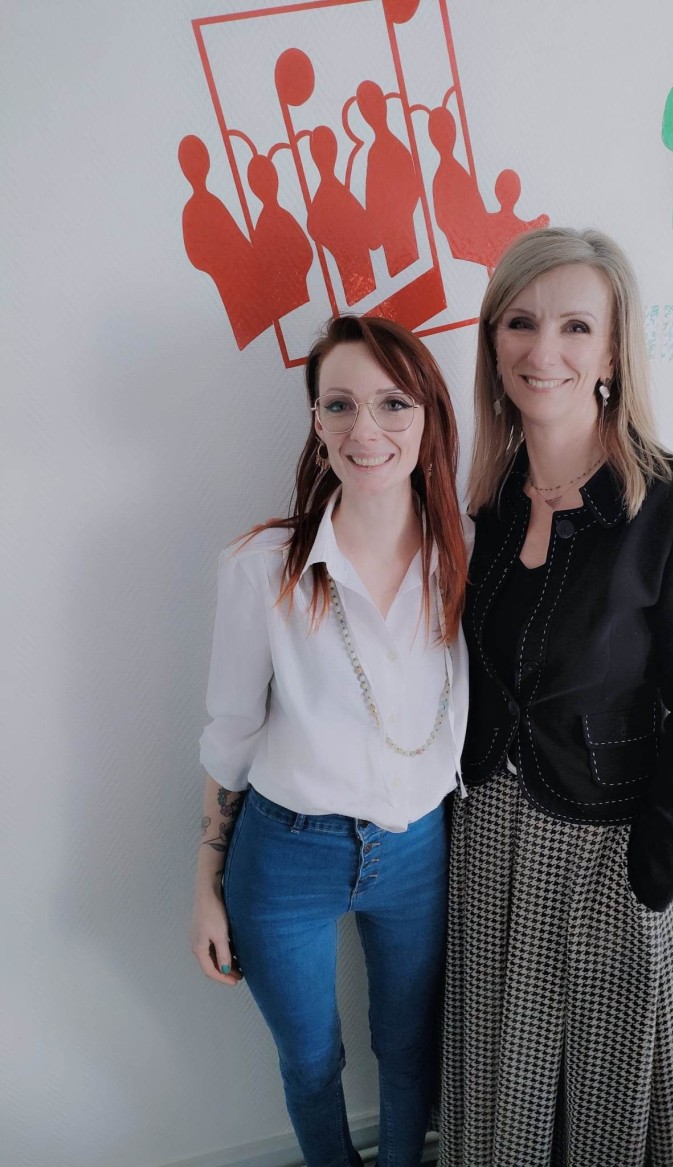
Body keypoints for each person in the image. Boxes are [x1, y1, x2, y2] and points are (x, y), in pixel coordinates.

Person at [439, 227, 673, 1167]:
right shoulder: (486, 500)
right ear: (493, 343)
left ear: (613, 352)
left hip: (610, 843)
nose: (545, 349)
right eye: (520, 322)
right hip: (486, 838)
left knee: (598, 1098)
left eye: (576, 326)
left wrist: (655, 870)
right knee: (501, 1078)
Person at [191, 314, 469, 1167]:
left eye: (393, 403)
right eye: (339, 404)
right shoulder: (262, 566)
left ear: (427, 415)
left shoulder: (468, 555)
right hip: (285, 854)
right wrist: (205, 884)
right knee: (311, 1061)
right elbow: (230, 734)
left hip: (418, 849)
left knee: (410, 1049)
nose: (365, 429)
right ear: (316, 421)